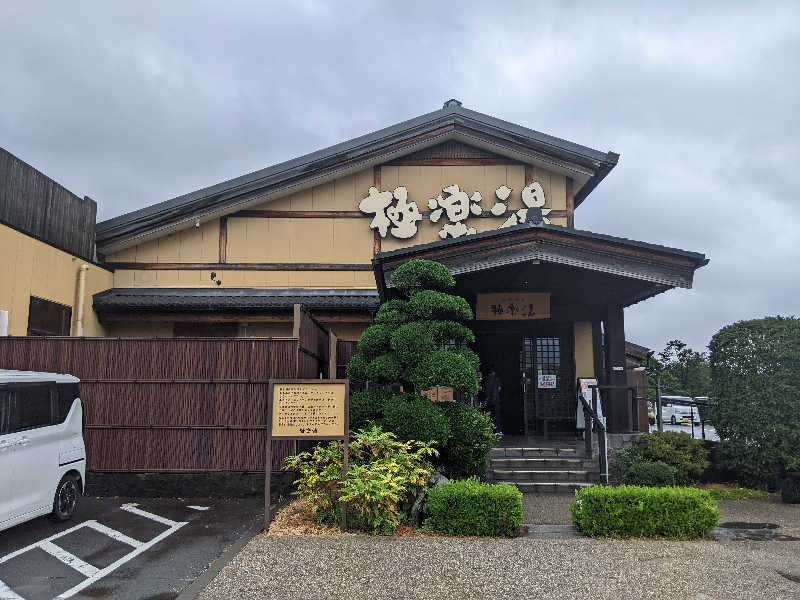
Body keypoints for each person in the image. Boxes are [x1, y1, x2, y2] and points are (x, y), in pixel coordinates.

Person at [483, 365, 503, 435]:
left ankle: (489, 430)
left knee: (488, 415)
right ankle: (498, 430)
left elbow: (484, 390)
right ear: (494, 372)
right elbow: (499, 389)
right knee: (497, 415)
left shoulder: (486, 379)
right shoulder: (497, 379)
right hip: (496, 399)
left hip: (488, 399)